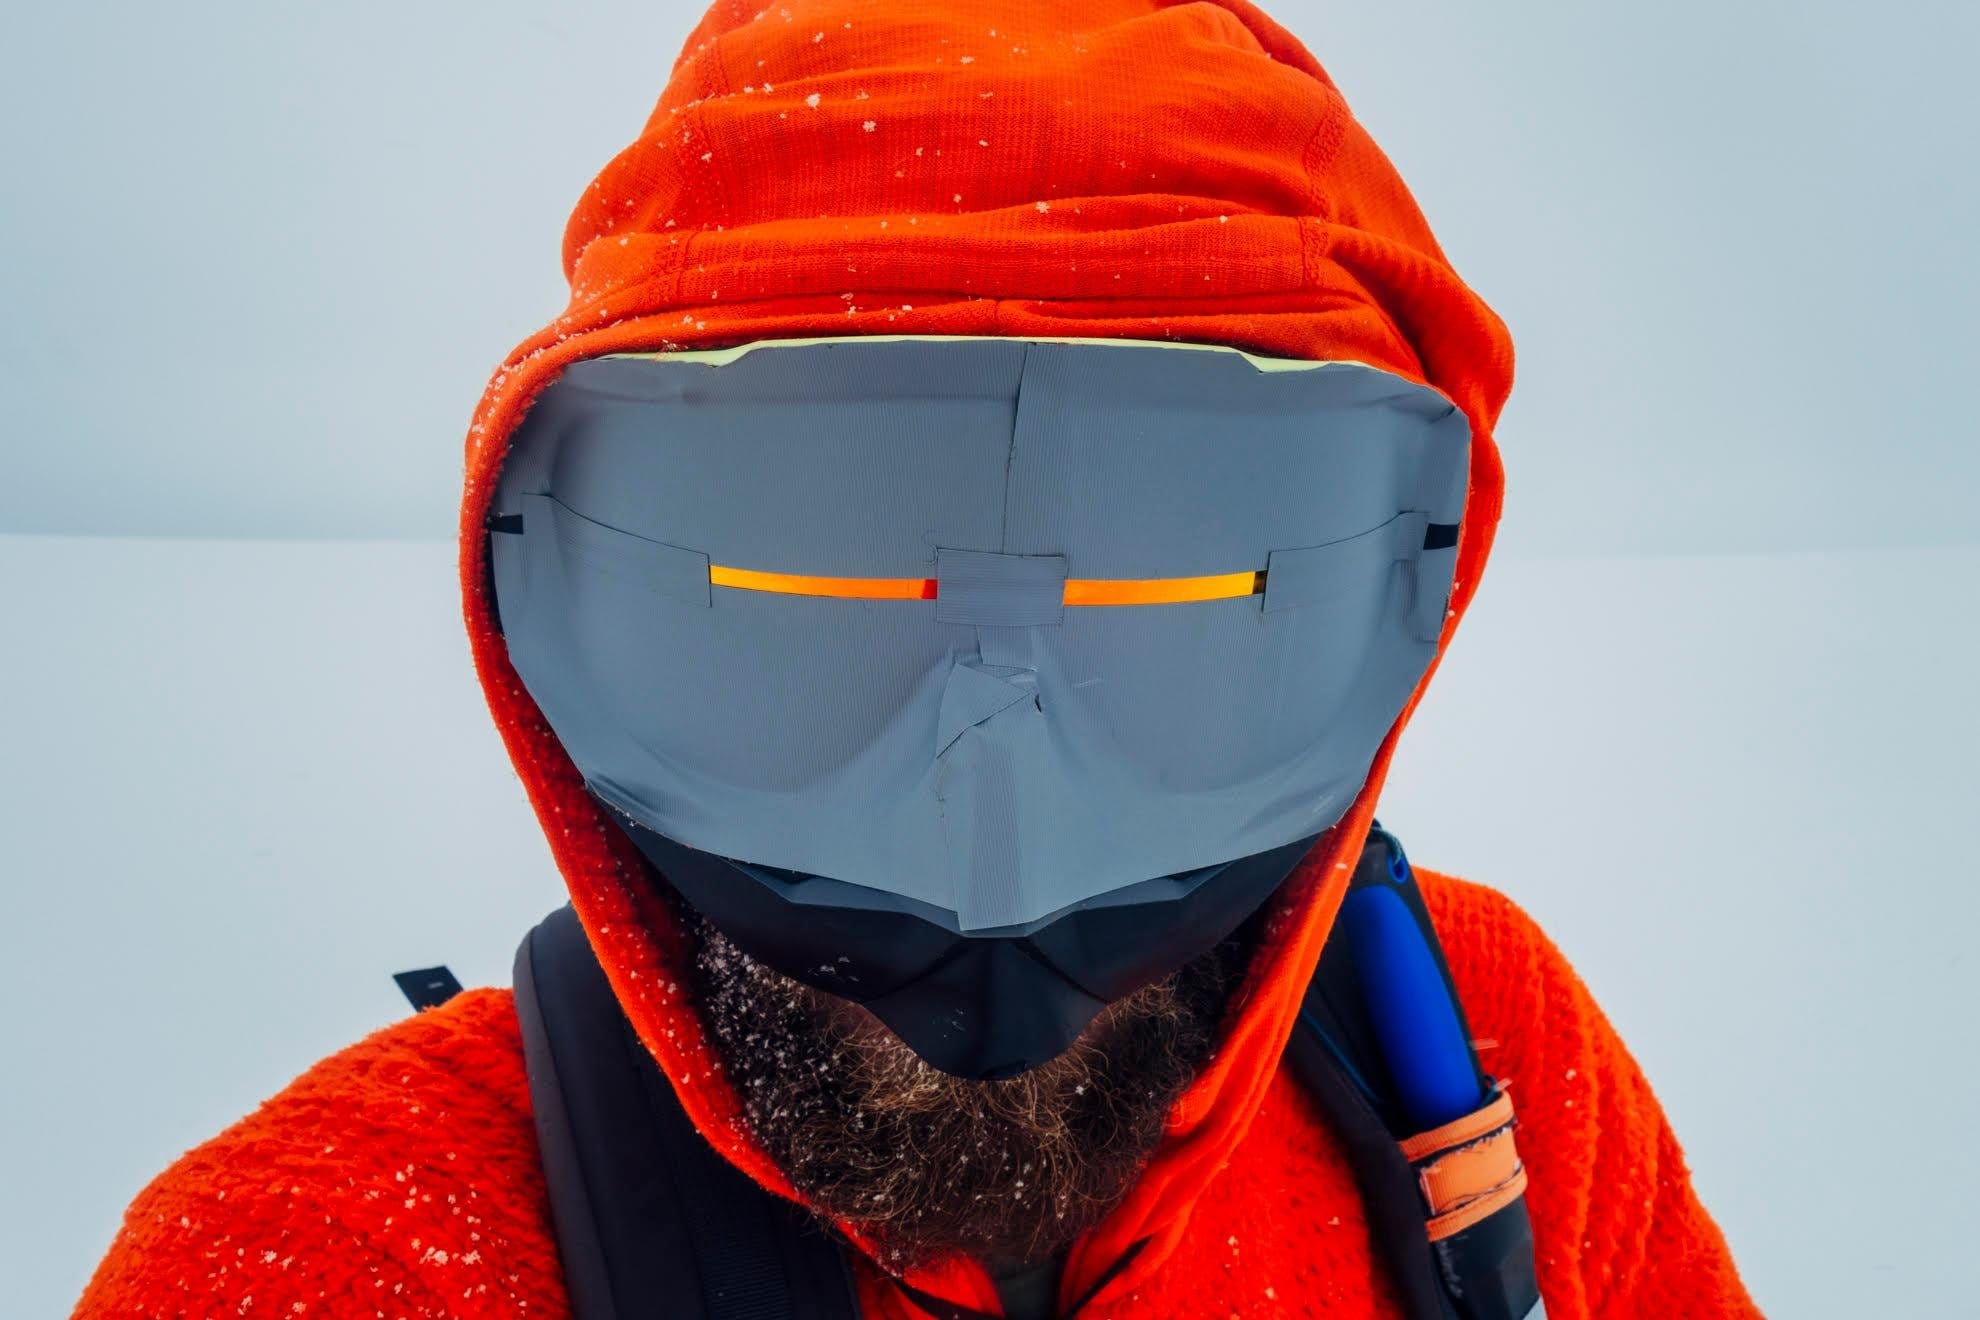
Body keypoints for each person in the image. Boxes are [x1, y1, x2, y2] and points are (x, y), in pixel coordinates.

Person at [74, 1, 1762, 1316]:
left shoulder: (1476, 1054)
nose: (992, 880)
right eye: (803, 620)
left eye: (1170, 622)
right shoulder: (337, 1251)